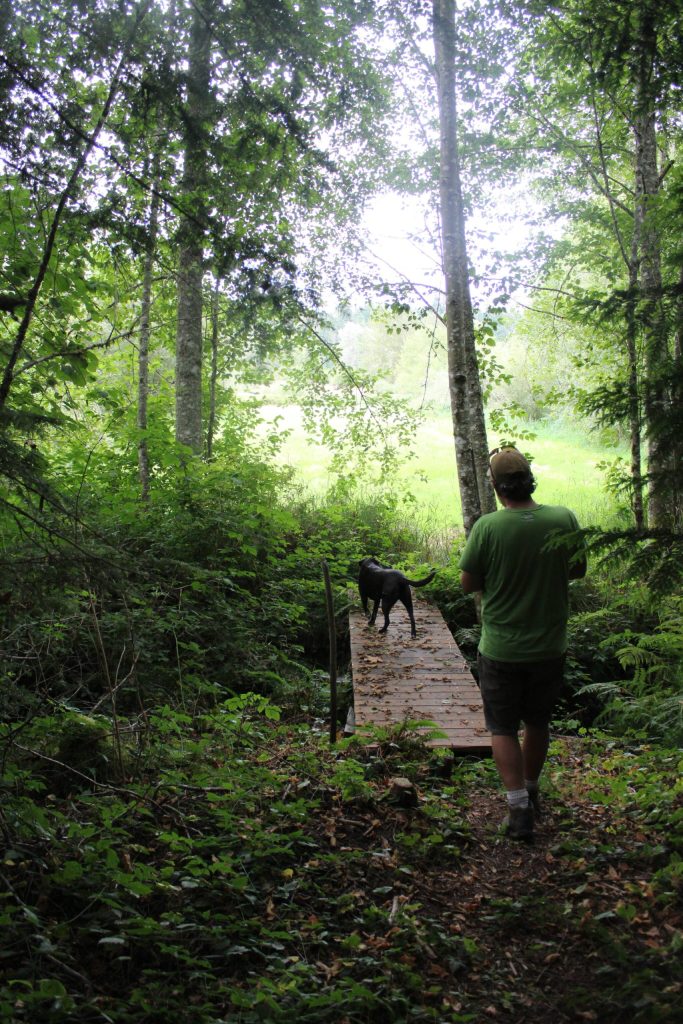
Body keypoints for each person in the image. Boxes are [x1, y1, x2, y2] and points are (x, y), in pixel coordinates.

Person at [459, 446, 587, 841]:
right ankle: (531, 791)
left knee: (502, 727)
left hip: (501, 649)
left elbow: (468, 583)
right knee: (537, 721)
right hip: (549, 646)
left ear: (497, 487)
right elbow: (578, 569)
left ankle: (518, 811)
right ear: (530, 480)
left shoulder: (488, 527)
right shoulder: (563, 518)